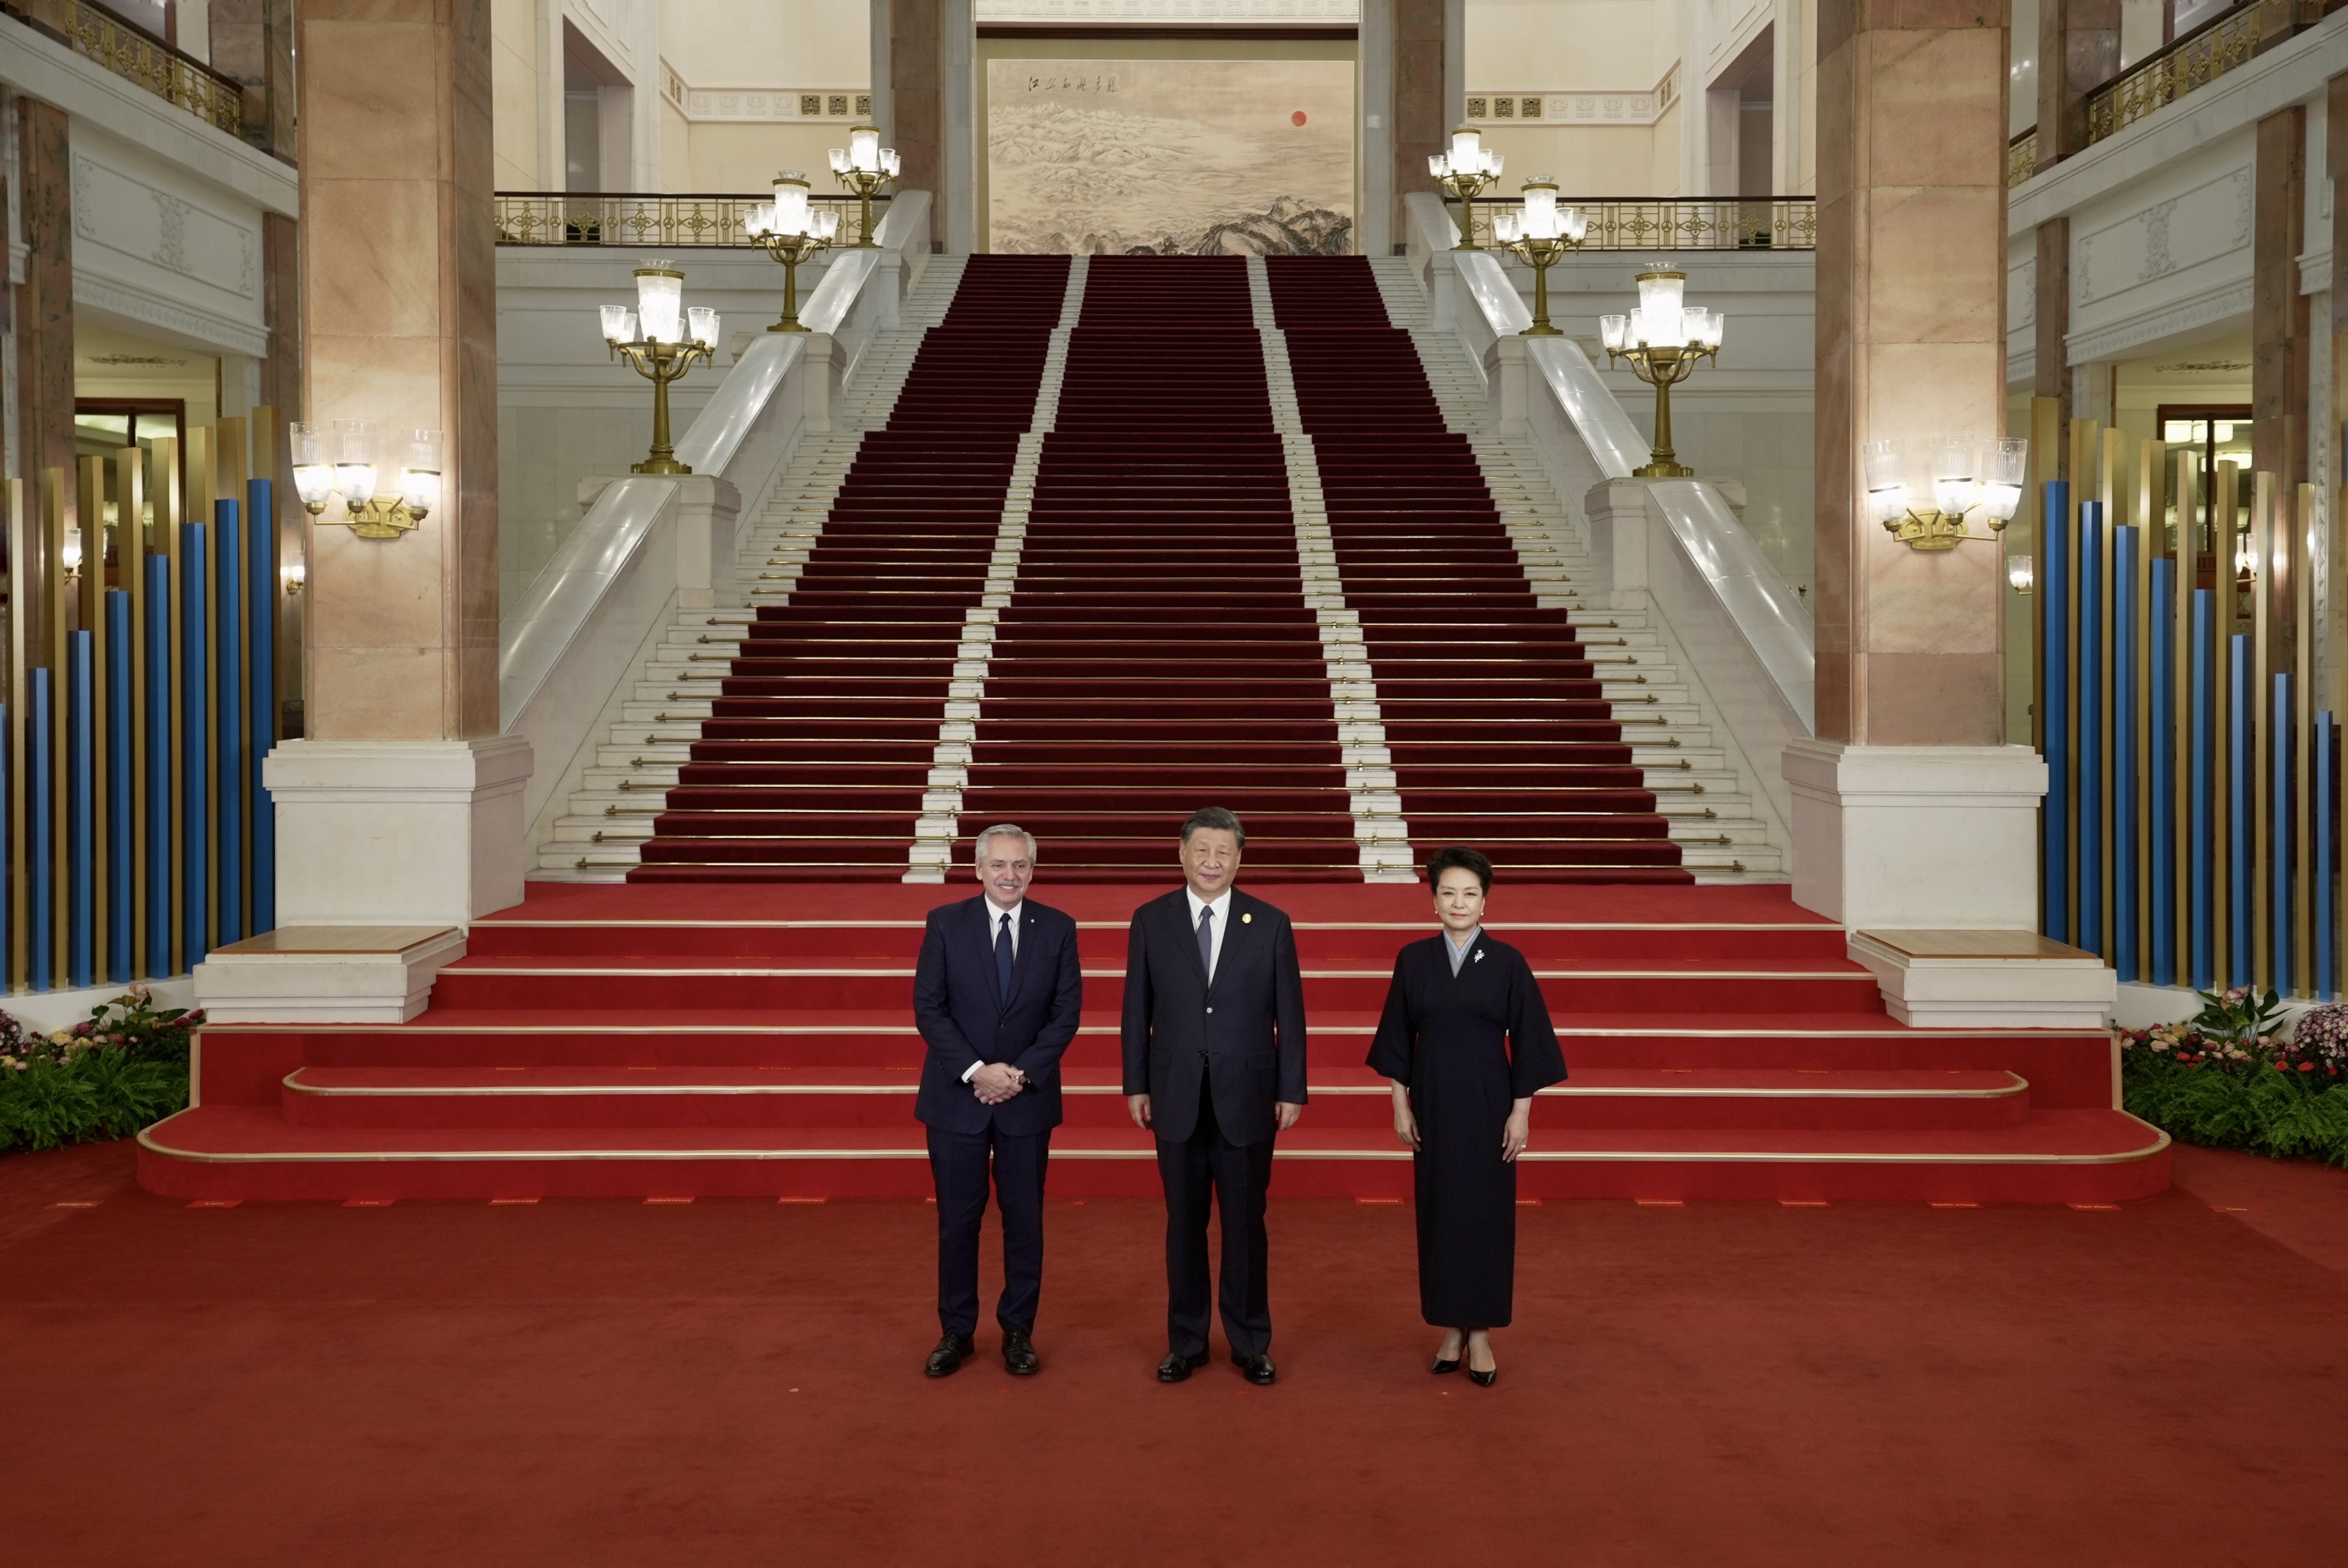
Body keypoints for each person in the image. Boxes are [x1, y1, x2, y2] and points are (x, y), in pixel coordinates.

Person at [1366, 846, 1567, 1387]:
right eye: (1448, 893)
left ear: (1485, 902)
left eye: (1470, 893)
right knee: (1439, 1214)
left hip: (1487, 1103)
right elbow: (1394, 1037)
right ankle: (1450, 1328)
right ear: (1433, 901)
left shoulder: (1507, 962)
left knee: (1484, 1216)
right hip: (1430, 1102)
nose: (1459, 902)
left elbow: (1530, 1041)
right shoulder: (1413, 959)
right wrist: (1399, 1101)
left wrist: (1520, 1113)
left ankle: (1480, 1335)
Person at [1121, 807, 1308, 1386]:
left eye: (1223, 852)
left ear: (1238, 860)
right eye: (1201, 850)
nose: (1211, 862)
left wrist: (1291, 1088)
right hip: (1174, 1095)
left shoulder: (1271, 922)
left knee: (1246, 1225)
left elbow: (1291, 1016)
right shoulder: (1151, 920)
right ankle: (1186, 1341)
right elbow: (1136, 1011)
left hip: (1248, 1096)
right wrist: (1136, 1083)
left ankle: (1251, 1341)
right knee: (1184, 1224)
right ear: (1181, 854)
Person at [912, 824, 1083, 1378]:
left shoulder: (1057, 929)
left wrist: (1019, 1075)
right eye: (1000, 865)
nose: (1010, 876)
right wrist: (976, 1072)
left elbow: (1065, 1015)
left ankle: (1018, 1332)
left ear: (1032, 870)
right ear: (979, 869)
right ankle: (956, 1332)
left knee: (1024, 1220)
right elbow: (929, 1009)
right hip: (955, 1100)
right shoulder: (944, 924)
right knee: (957, 1221)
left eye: (1021, 866)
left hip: (1026, 1100)